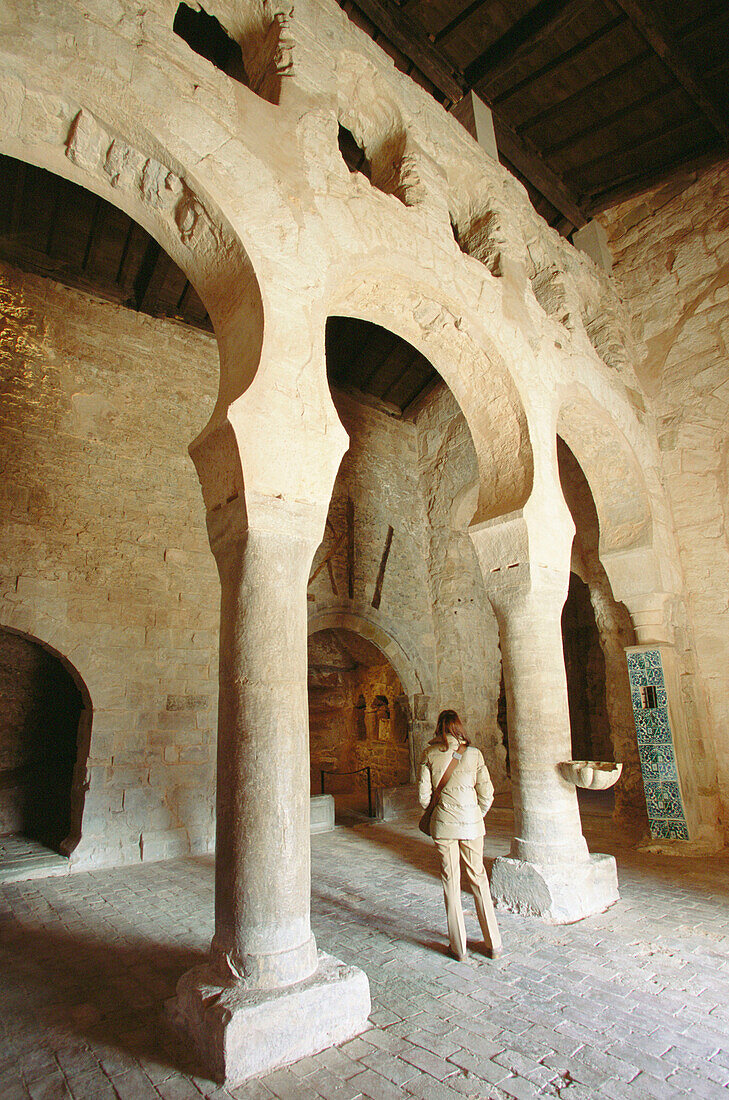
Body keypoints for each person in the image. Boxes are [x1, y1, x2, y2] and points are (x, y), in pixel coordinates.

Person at [418, 709, 502, 962]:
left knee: (450, 881)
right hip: (472, 826)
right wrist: (476, 814)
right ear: (459, 727)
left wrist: (440, 811)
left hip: (444, 826)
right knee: (479, 879)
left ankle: (459, 948)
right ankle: (493, 944)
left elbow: (423, 798)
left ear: (439, 728)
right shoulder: (474, 755)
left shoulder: (429, 754)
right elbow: (488, 794)